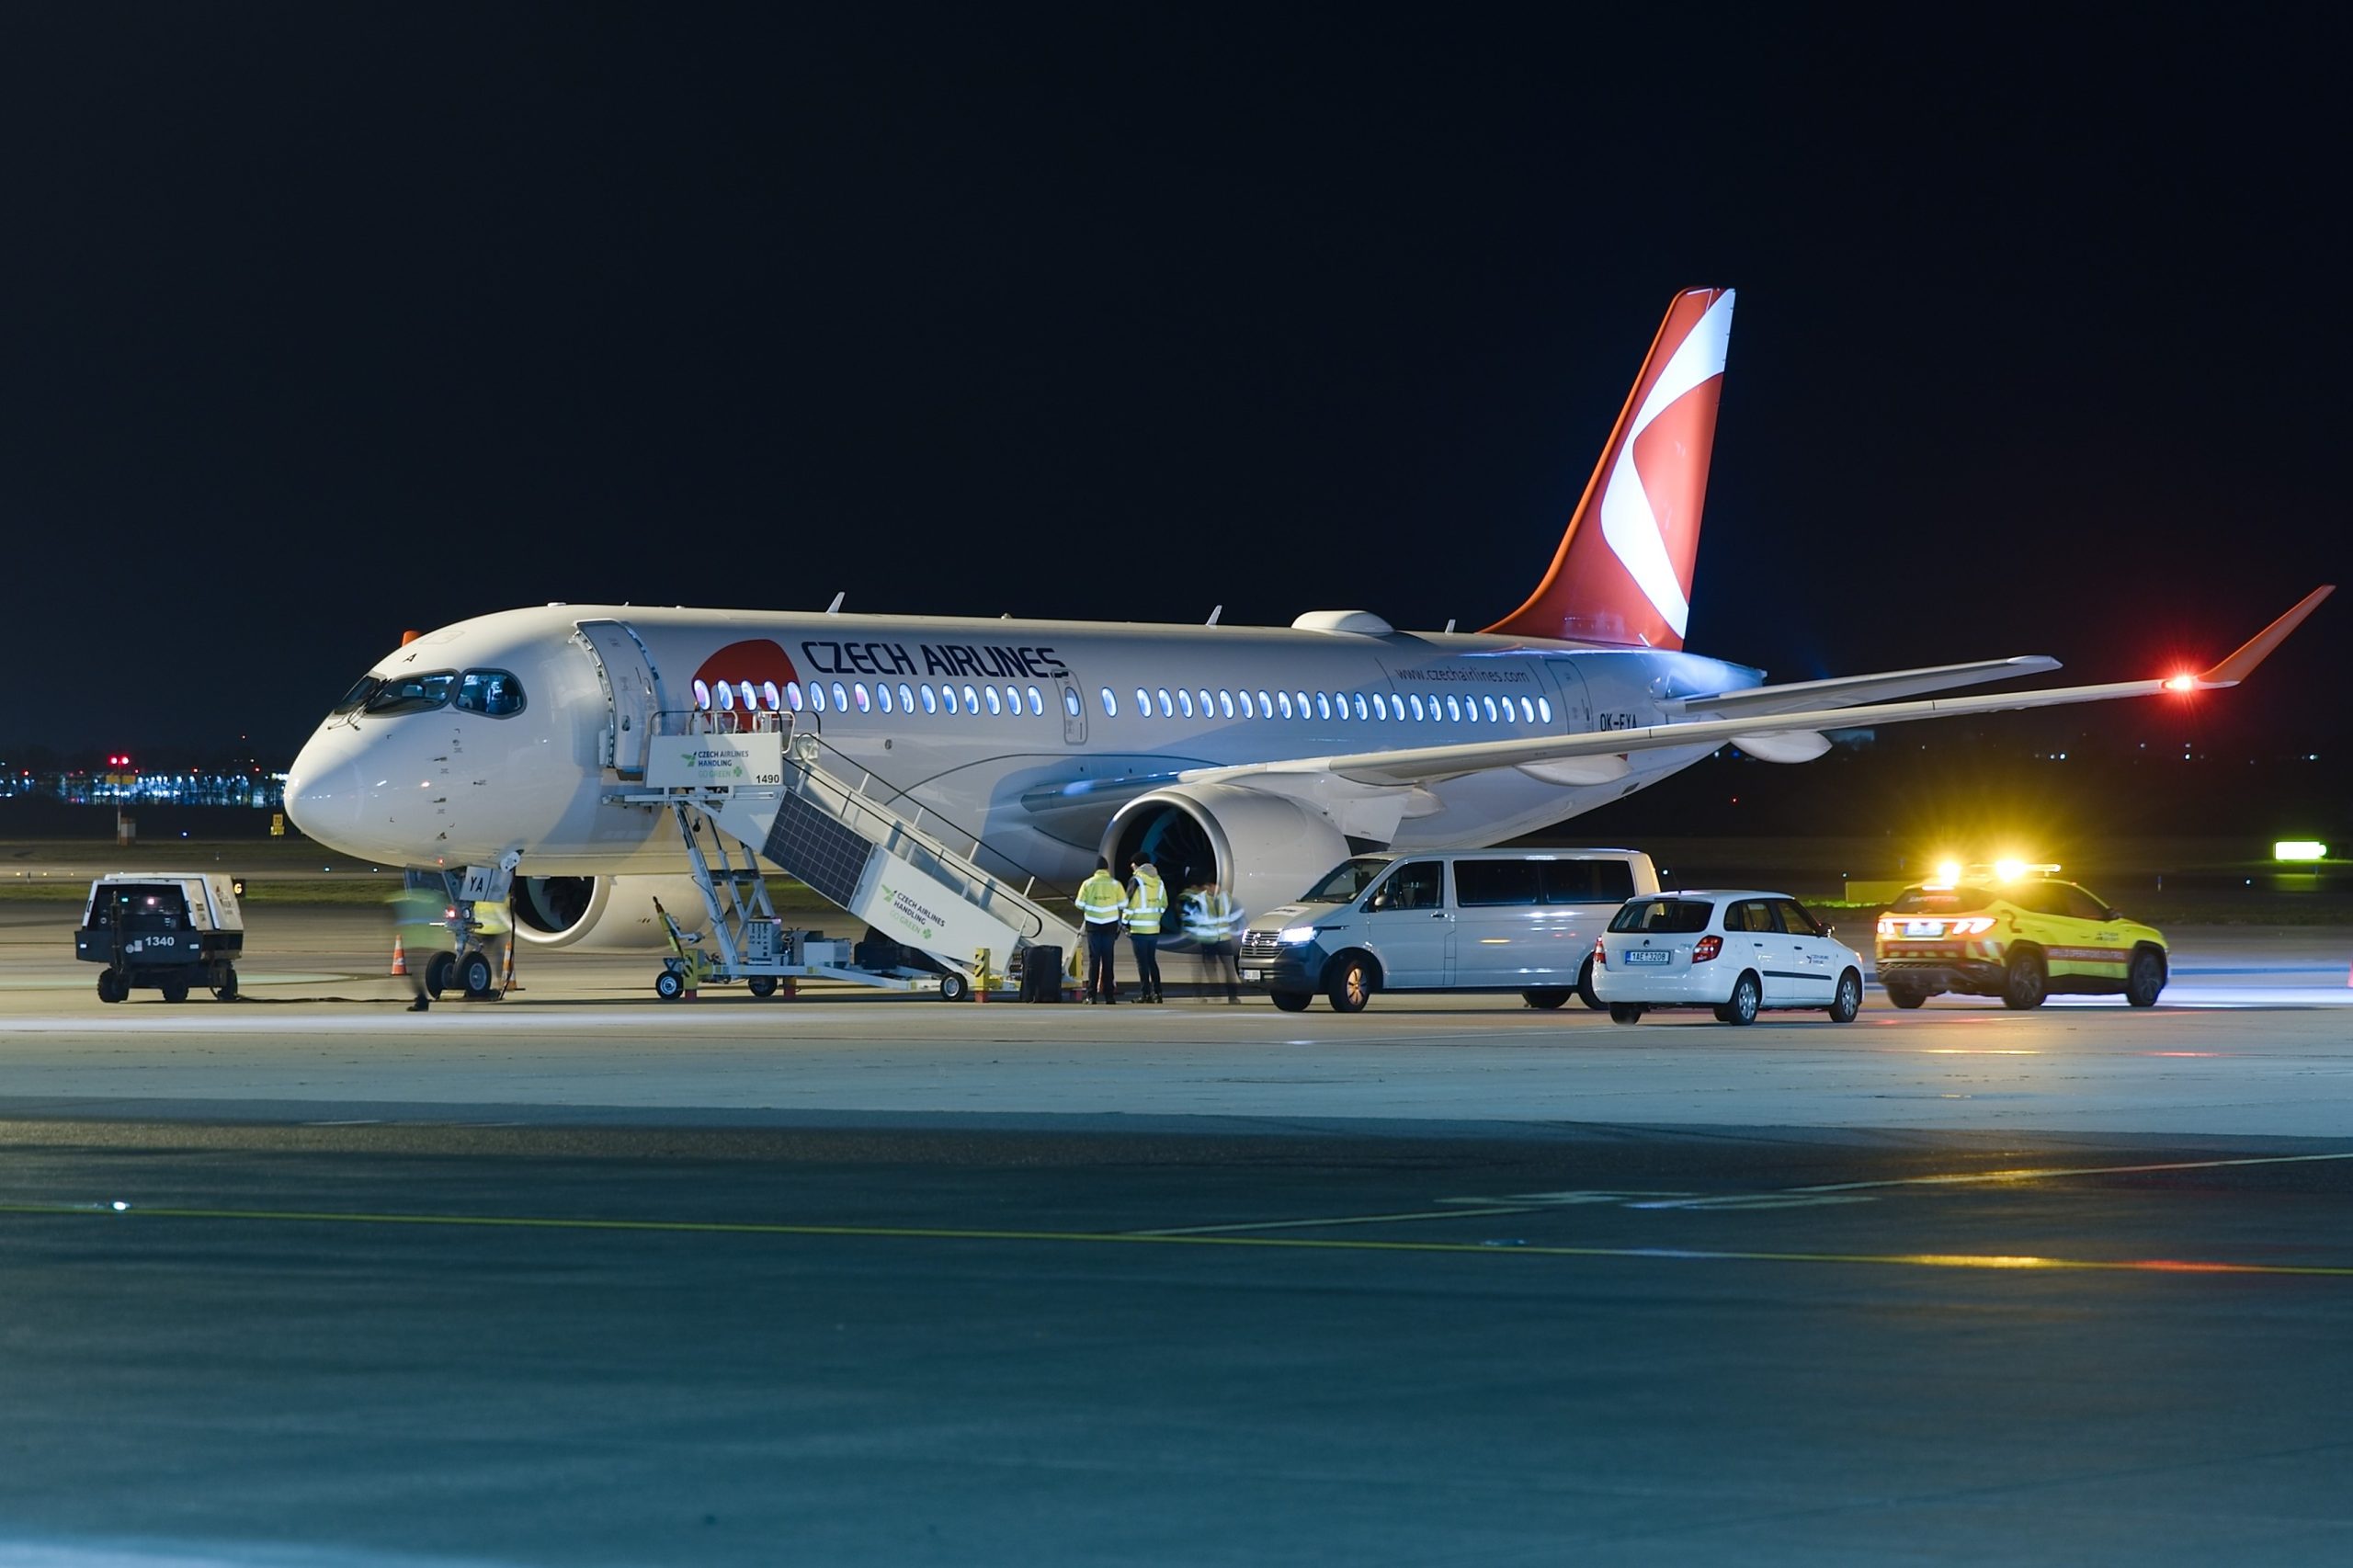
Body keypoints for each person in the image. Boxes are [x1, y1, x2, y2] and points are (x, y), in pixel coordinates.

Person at [1074, 857, 1127, 1004]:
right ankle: (1109, 996)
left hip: (1093, 925)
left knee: (1094, 961)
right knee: (1108, 960)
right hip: (1110, 925)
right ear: (1106, 869)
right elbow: (1124, 903)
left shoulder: (1088, 883)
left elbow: (1079, 904)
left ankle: (1091, 996)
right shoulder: (1115, 884)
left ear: (1096, 869)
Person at [1184, 876, 1245, 1003]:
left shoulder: (1227, 898)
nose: (1213, 889)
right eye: (1211, 886)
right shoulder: (1200, 899)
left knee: (1228, 969)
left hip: (1223, 939)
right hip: (1207, 939)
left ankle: (1232, 997)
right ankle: (1210, 993)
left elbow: (1237, 914)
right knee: (1209, 968)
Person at [387, 882, 446, 1012]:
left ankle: (422, 999)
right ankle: (424, 997)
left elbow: (394, 916)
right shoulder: (432, 898)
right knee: (423, 973)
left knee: (412, 974)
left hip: (413, 941)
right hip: (428, 939)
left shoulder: (401, 899)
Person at [1124, 853, 1168, 1003]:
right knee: (1152, 961)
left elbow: (1130, 905)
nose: (1131, 866)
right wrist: (1155, 917)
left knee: (1142, 963)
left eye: (1133, 863)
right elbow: (1164, 904)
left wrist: (1124, 922)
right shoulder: (1159, 881)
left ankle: (1145, 994)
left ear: (1137, 865)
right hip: (1153, 929)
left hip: (1138, 929)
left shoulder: (1136, 880)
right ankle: (1158, 993)